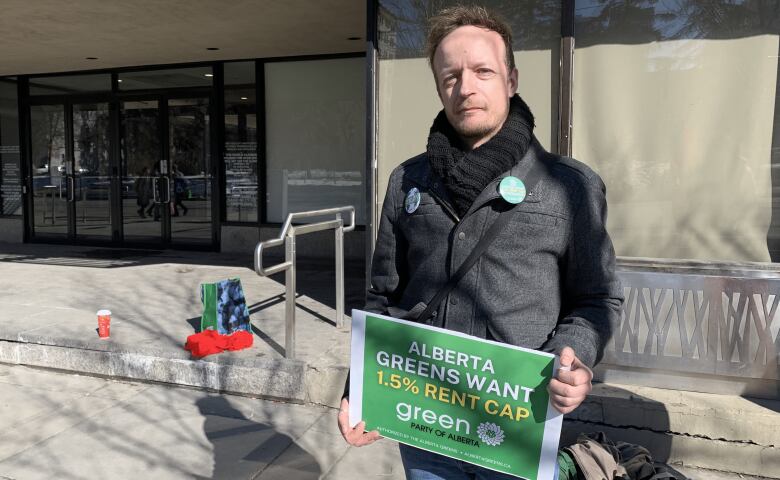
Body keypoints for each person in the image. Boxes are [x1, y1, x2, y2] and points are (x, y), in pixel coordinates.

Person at [337, 5, 623, 478]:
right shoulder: (407, 180)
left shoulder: (570, 186)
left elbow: (597, 297)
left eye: (482, 72)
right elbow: (383, 298)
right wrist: (361, 388)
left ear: (510, 80)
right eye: (450, 76)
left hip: (517, 430)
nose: (465, 88)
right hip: (423, 424)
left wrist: (576, 357)